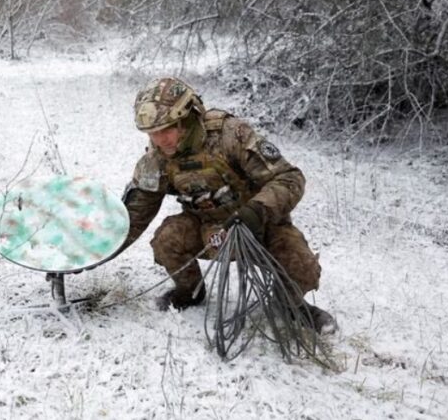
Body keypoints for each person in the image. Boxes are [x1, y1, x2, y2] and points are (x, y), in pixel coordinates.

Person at [120, 77, 337, 334]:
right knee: (168, 239)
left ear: (186, 119)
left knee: (302, 266)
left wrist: (255, 212)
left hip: (259, 226)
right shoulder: (156, 159)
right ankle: (190, 292)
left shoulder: (230, 135)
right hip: (208, 231)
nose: (159, 140)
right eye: (152, 134)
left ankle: (289, 304)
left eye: (166, 129)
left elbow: (289, 178)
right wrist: (93, 252)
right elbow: (135, 214)